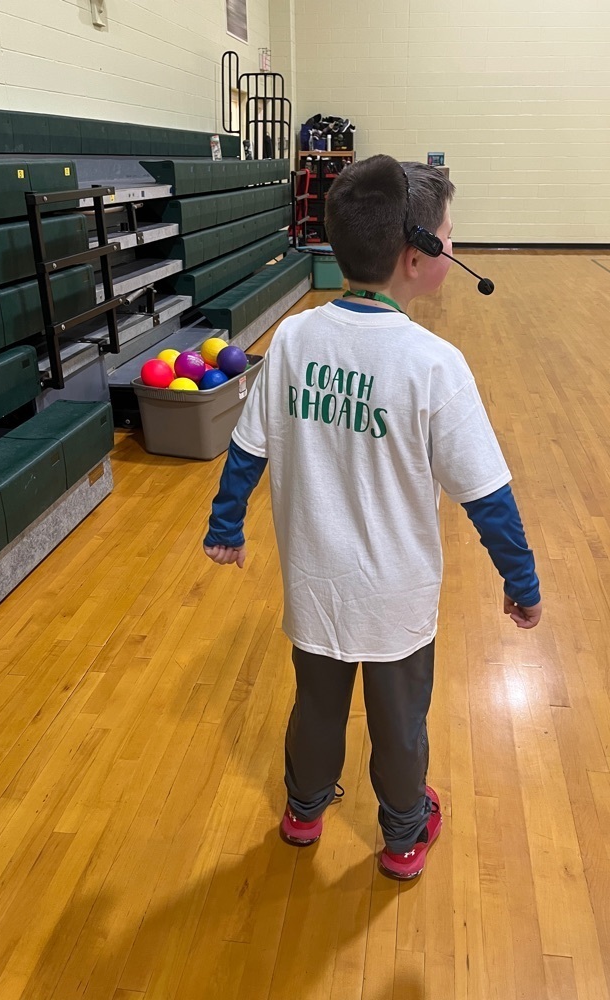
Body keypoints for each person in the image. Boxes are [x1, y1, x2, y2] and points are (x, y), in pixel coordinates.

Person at [203, 154, 542, 881]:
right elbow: (487, 495)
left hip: (315, 584)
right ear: (419, 257)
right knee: (399, 725)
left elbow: (247, 447)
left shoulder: (294, 339)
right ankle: (402, 837)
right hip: (395, 601)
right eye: (451, 237)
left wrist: (225, 526)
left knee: (316, 708)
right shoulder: (434, 364)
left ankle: (303, 811)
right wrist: (522, 581)